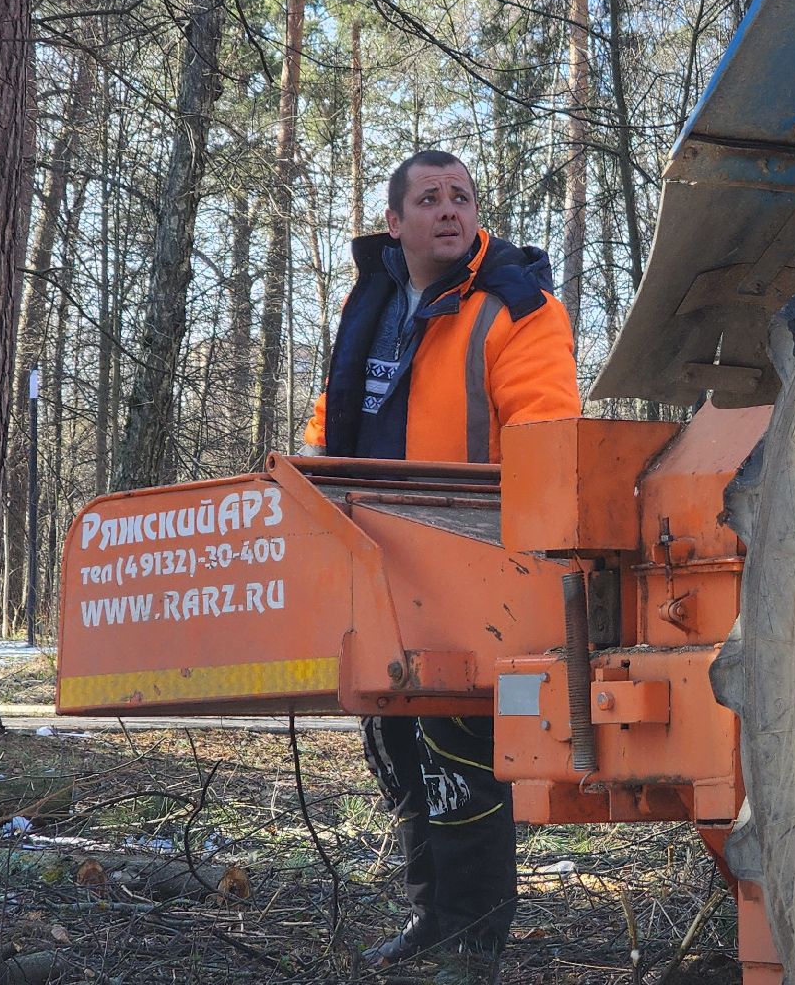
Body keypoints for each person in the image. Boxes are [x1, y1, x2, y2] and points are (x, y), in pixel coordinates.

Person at [301, 150, 579, 979]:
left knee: (459, 753)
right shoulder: (372, 298)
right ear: (397, 223)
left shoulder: (518, 306)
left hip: (473, 562)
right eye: (430, 199)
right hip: (372, 555)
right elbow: (335, 410)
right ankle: (432, 915)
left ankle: (475, 935)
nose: (450, 210)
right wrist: (311, 484)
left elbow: (546, 429)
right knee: (394, 746)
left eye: (462, 196)